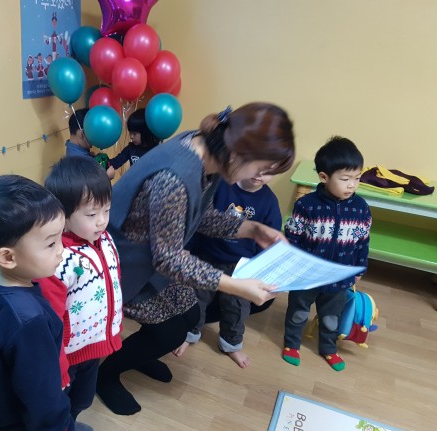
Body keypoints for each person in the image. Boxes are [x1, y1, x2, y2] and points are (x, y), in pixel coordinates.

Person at [95, 102, 296, 415]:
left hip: (152, 253)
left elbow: (196, 216)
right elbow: (168, 260)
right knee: (169, 332)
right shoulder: (175, 178)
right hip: (122, 266)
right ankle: (105, 375)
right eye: (263, 170)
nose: (261, 178)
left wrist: (252, 228)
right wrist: (237, 286)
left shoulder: (203, 149)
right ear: (240, 153)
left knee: (189, 314)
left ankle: (140, 354)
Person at [0, 175, 73, 431]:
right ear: (8, 257)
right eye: (51, 244)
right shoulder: (29, 320)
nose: (62, 250)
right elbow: (42, 395)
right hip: (17, 428)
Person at [37, 157, 123, 431]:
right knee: (57, 402)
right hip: (67, 354)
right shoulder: (59, 259)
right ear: (62, 215)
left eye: (106, 210)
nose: (102, 220)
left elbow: (112, 281)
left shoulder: (105, 238)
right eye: (91, 214)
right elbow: (50, 316)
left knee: (83, 398)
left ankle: (70, 424)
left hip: (92, 345)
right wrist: (58, 362)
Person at [173, 172, 282, 368]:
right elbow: (198, 220)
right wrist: (187, 248)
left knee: (237, 307)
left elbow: (269, 242)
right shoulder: (220, 185)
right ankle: (189, 334)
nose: (260, 174)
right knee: (195, 299)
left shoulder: (270, 202)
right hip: (206, 256)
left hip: (241, 265)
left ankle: (231, 344)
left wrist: (260, 270)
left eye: (269, 171)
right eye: (259, 166)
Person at [282, 136, 372, 371]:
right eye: (345, 179)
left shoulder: (361, 209)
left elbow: (363, 241)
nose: (352, 185)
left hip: (339, 278)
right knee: (298, 312)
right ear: (324, 177)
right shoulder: (306, 205)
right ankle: (291, 344)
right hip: (306, 276)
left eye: (357, 178)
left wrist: (360, 267)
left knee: (332, 317)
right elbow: (292, 238)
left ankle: (329, 349)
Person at [65, 108, 115, 180]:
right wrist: (106, 177)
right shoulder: (79, 161)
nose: (95, 140)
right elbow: (85, 186)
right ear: (82, 134)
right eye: (93, 134)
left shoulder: (71, 148)